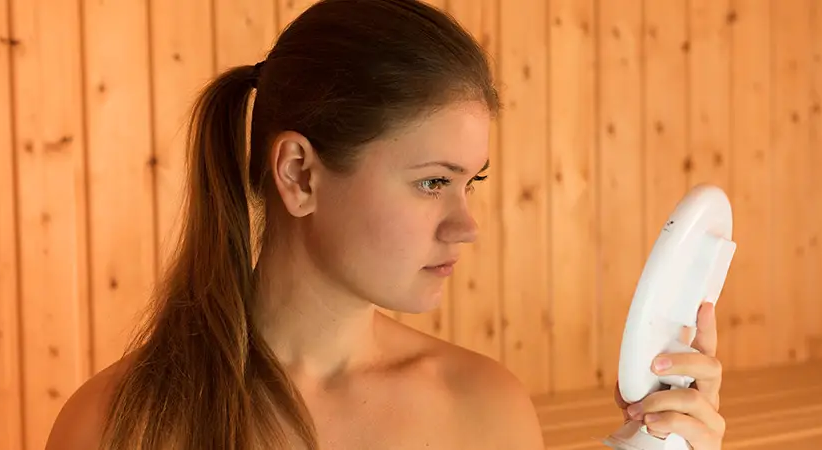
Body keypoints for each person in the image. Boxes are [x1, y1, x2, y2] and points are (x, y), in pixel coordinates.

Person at [45, 0, 725, 448]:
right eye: (432, 182)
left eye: (471, 182)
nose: (467, 224)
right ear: (300, 175)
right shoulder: (114, 427)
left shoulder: (485, 413)